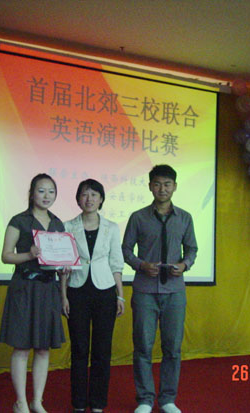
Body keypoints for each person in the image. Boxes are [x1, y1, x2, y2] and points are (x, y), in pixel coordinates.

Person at [122, 165, 197, 413]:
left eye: (167, 184)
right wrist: (141, 265)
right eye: (157, 184)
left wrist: (184, 265)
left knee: (172, 348)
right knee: (143, 346)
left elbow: (192, 249)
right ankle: (145, 399)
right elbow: (126, 249)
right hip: (145, 291)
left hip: (174, 291)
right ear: (150, 186)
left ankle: (167, 400)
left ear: (174, 186)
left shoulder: (185, 218)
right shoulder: (138, 217)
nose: (162, 189)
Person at [0, 173, 67, 413]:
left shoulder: (58, 223)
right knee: (21, 347)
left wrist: (65, 267)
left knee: (43, 348)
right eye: (41, 190)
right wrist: (28, 254)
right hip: (24, 288)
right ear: (31, 193)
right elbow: (6, 256)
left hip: (48, 290)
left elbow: (61, 260)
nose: (46, 196)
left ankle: (37, 401)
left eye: (51, 191)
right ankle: (20, 402)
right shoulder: (19, 220)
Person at [61, 179, 125, 413]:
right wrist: (63, 296)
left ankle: (98, 403)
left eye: (94, 194)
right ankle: (78, 403)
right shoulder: (68, 226)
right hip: (76, 291)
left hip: (105, 291)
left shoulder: (111, 227)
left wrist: (120, 296)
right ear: (78, 199)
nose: (89, 199)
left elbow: (116, 263)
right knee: (79, 349)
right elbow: (63, 266)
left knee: (102, 349)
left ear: (101, 199)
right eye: (84, 194)